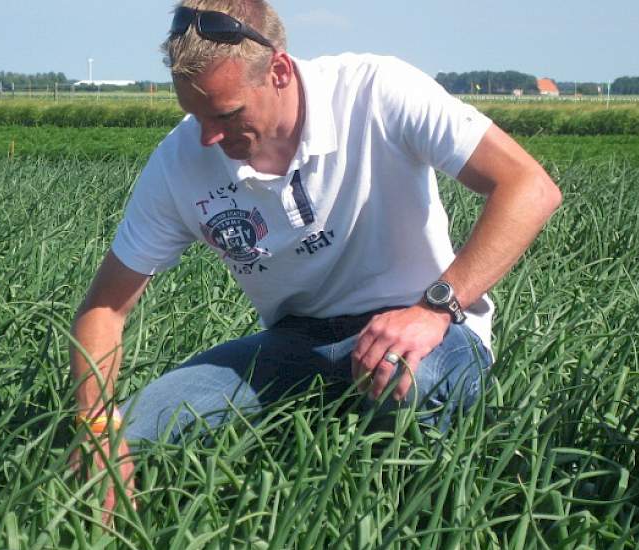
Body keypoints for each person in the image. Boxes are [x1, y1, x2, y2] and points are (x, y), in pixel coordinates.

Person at [69, 0, 562, 517]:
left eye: (227, 113)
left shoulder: (375, 91)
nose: (208, 136)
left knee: (403, 387)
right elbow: (103, 310)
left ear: (279, 70)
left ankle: (405, 515)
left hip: (424, 328)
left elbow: (529, 187)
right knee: (139, 427)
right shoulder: (179, 163)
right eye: (194, 114)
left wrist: (435, 309)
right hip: (297, 341)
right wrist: (96, 424)